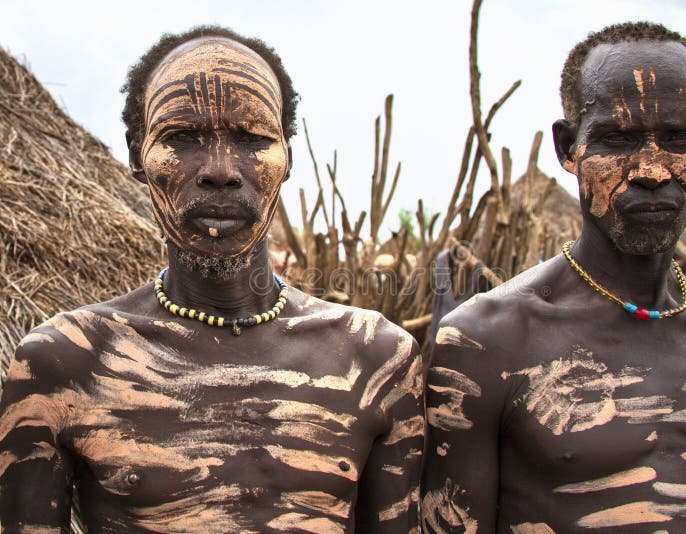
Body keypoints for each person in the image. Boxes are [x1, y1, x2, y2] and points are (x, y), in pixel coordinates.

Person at [0, 26, 423, 533]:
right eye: (181, 137)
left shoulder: (375, 361)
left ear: (286, 156)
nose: (220, 170)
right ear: (137, 153)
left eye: (251, 139)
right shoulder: (66, 362)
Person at [422, 21, 686, 533]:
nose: (651, 169)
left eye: (678, 138)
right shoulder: (490, 342)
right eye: (616, 140)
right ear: (567, 147)